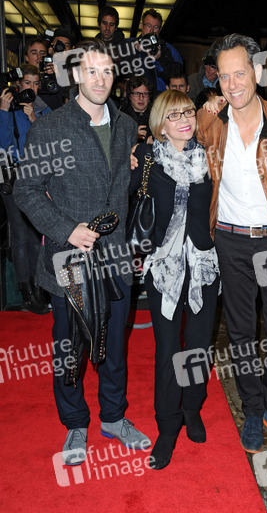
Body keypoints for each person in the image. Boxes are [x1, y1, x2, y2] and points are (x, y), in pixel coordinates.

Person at [13, 38, 149, 466]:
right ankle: (74, 422)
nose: (100, 79)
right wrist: (66, 229)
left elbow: (119, 186)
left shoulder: (125, 126)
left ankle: (114, 417)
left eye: (107, 71)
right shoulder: (50, 128)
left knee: (114, 344)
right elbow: (25, 190)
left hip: (115, 256)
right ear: (75, 75)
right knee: (69, 347)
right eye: (91, 71)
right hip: (69, 259)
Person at [196, 33, 267, 453]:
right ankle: (252, 409)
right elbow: (173, 139)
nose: (232, 84)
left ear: (257, 72)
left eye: (240, 73)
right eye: (224, 77)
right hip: (229, 241)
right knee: (241, 333)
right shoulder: (209, 122)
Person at [130, 89, 220, 469]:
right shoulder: (146, 159)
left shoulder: (209, 158)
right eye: (174, 115)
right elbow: (124, 197)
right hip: (164, 270)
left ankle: (192, 408)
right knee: (168, 350)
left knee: (198, 346)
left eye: (188, 113)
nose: (184, 120)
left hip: (203, 267)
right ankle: (167, 427)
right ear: (160, 126)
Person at [0, 63, 51, 315]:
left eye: (36, 83)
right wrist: (3, 111)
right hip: (12, 177)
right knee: (21, 235)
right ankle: (26, 292)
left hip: (37, 177)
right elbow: (4, 144)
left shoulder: (42, 110)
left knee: (36, 235)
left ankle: (38, 286)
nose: (31, 88)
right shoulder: (8, 109)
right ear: (19, 85)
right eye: (27, 83)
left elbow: (47, 145)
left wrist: (33, 119)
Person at [132, 8, 183, 93]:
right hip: (136, 96)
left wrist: (159, 60)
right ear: (141, 25)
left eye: (155, 27)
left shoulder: (170, 50)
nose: (151, 30)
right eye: (148, 25)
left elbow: (176, 78)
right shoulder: (129, 46)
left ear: (160, 29)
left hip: (161, 96)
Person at [123, 76, 153, 142]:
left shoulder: (157, 116)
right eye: (137, 94)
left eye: (145, 94)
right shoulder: (121, 118)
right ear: (129, 96)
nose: (141, 98)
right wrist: (133, 138)